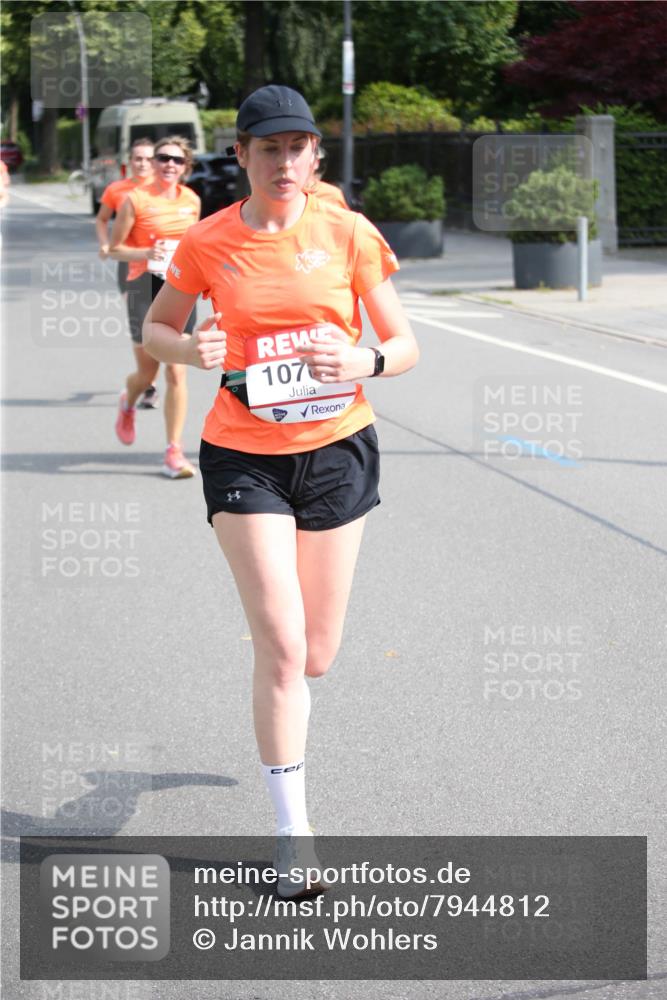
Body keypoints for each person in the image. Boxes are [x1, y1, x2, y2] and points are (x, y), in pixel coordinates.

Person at [143, 85, 418, 894]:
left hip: (336, 448)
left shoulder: (346, 232)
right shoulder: (209, 240)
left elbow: (403, 342)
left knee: (319, 657)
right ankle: (293, 829)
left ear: (315, 156)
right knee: (283, 647)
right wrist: (190, 352)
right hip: (243, 456)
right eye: (269, 147)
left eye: (298, 146)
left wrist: (364, 361)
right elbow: (158, 327)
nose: (284, 160)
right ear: (243, 155)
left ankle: (290, 740)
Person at [110, 135, 201, 478]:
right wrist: (146, 254)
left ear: (186, 167)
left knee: (178, 368)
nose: (168, 165)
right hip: (142, 284)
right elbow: (113, 249)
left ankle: (173, 451)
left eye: (177, 160)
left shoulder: (191, 200)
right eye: (163, 158)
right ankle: (128, 401)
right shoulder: (134, 199)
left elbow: (196, 248)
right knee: (147, 372)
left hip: (179, 286)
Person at [95, 137, 159, 409]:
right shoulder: (117, 190)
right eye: (138, 158)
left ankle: (152, 375)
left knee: (163, 322)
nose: (142, 163)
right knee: (142, 325)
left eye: (147, 158)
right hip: (130, 266)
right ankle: (149, 383)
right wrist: (105, 244)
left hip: (164, 269)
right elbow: (101, 220)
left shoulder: (166, 191)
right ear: (129, 162)